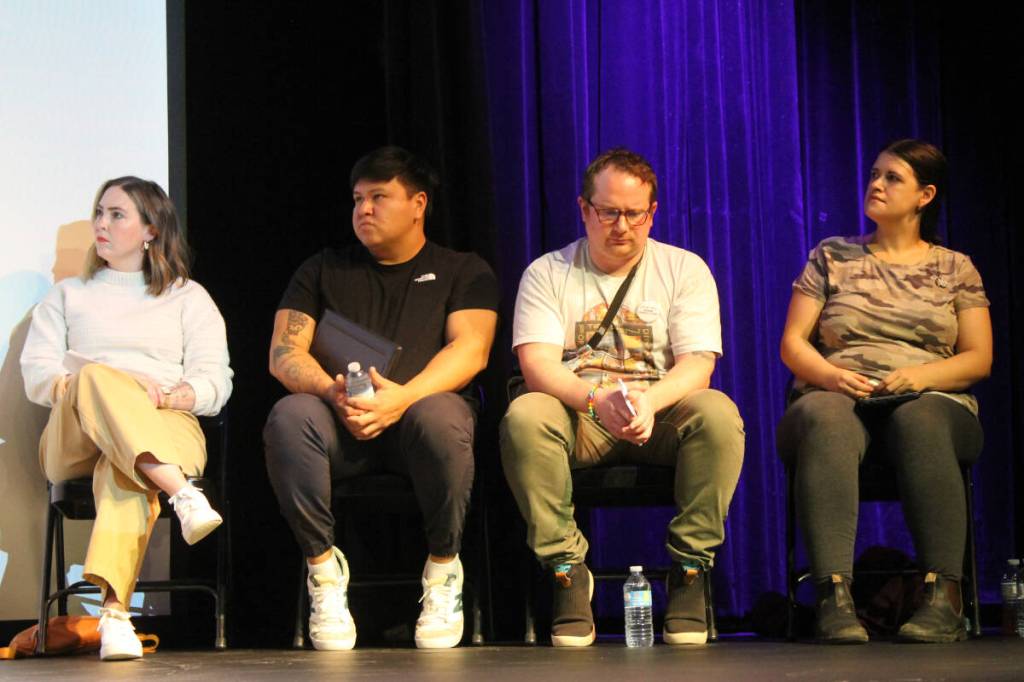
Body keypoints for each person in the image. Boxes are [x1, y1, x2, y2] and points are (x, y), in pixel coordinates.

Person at [500, 147, 745, 647]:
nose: (622, 225)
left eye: (635, 213)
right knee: (525, 414)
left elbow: (699, 363)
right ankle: (567, 569)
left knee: (718, 414)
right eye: (608, 211)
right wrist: (595, 401)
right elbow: (538, 365)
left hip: (659, 414)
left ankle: (690, 571)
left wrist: (650, 404)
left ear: (652, 213)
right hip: (581, 414)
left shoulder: (685, 269)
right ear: (584, 209)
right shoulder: (548, 272)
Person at [263, 146, 499, 650]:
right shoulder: (323, 268)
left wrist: (403, 398)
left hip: (417, 426)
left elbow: (472, 350)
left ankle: (442, 574)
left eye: (378, 197)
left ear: (418, 204)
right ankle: (324, 575)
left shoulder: (462, 270)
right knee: (290, 416)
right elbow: (284, 354)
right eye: (357, 199)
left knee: (443, 414)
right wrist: (331, 389)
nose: (363, 209)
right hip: (341, 425)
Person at [777, 139, 992, 644]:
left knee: (918, 419)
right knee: (827, 417)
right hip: (836, 395)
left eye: (893, 177)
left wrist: (920, 377)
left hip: (931, 402)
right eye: (875, 174)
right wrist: (831, 377)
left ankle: (943, 597)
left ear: (925, 195)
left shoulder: (955, 268)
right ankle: (833, 596)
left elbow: (978, 358)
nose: (876, 184)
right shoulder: (833, 255)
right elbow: (792, 344)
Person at [21, 177, 233, 662]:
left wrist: (173, 393)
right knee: (96, 376)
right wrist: (116, 385)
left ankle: (114, 618)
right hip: (75, 435)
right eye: (99, 212)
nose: (101, 223)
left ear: (151, 229)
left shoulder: (188, 298)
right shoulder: (66, 296)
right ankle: (182, 493)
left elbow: (216, 383)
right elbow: (38, 377)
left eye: (116, 214)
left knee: (124, 469)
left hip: (165, 422)